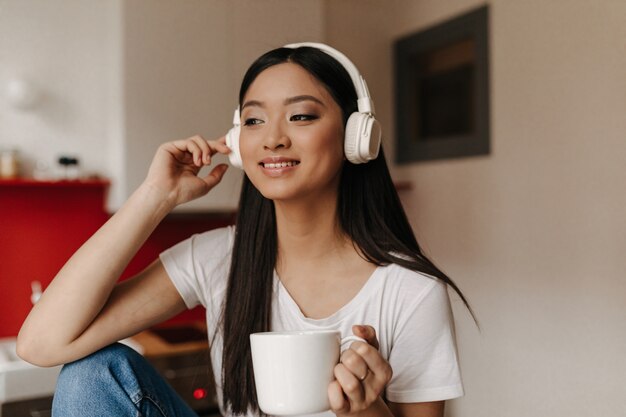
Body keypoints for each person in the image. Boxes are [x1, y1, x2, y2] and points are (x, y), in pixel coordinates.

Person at [17, 42, 472, 417]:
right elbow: (41, 344)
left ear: (356, 136)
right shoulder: (216, 259)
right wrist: (155, 196)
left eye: (301, 116)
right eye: (254, 120)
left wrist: (366, 410)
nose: (273, 137)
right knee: (93, 371)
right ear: (237, 144)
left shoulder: (411, 292)